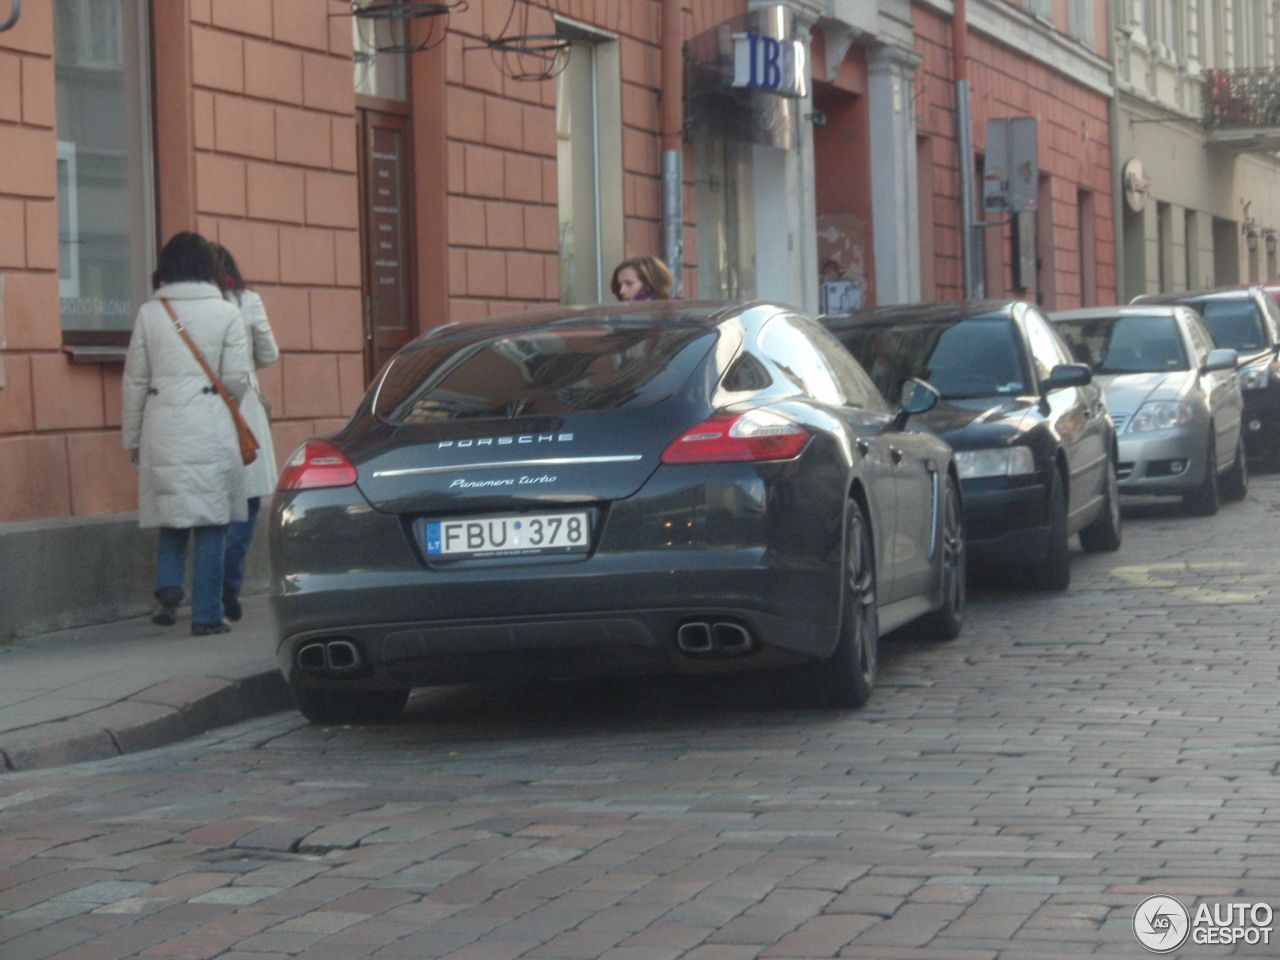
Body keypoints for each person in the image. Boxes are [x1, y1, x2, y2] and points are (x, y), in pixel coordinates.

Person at [121, 232, 253, 636]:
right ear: (207, 267)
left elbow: (134, 381)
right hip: (210, 425)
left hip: (161, 424)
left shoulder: (149, 313)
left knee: (172, 512)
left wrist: (132, 438)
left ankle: (170, 585)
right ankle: (207, 615)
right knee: (212, 520)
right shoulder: (227, 313)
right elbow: (236, 379)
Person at [214, 243, 279, 622]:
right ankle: (229, 585)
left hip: (199, 403)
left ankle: (212, 585)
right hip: (243, 409)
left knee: (214, 500)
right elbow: (268, 354)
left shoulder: (185, 306)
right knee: (248, 499)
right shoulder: (247, 301)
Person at [610, 255, 677, 302]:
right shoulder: (619, 316)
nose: (621, 291)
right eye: (619, 286)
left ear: (650, 284)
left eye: (629, 284)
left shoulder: (677, 315)